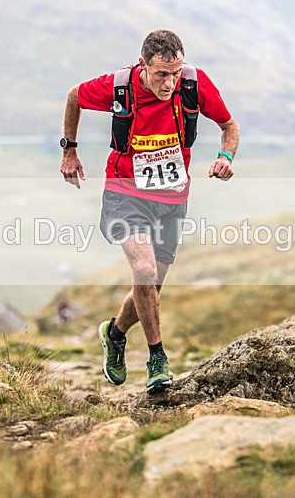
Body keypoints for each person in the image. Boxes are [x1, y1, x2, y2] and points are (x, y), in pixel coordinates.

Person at [59, 30, 239, 393]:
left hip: (172, 198)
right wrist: (69, 151)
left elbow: (229, 126)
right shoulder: (118, 86)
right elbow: (74, 96)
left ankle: (115, 332)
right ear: (143, 66)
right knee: (142, 269)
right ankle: (157, 359)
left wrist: (226, 156)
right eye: (161, 74)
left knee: (151, 286)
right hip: (125, 192)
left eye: (175, 73)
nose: (170, 82)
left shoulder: (194, 83)